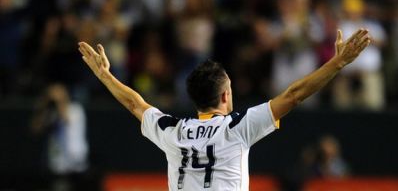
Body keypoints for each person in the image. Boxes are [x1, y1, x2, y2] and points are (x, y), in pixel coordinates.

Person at [78, 28, 370, 190]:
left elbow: (134, 103)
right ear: (225, 95)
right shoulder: (237, 127)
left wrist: (105, 74)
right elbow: (294, 95)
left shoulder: (172, 131)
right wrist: (338, 63)